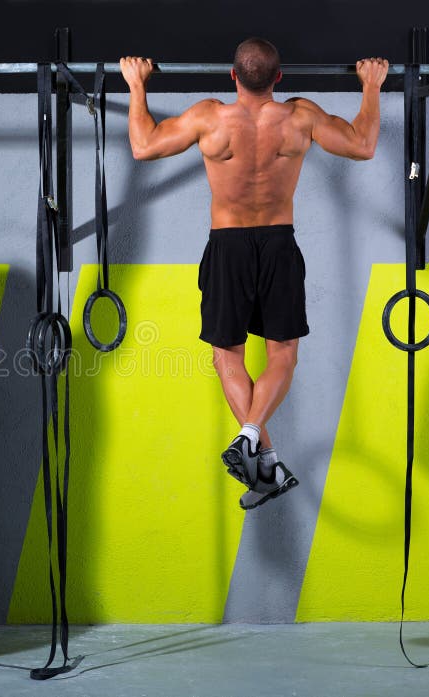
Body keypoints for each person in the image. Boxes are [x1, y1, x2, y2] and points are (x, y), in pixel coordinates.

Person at [120, 38, 388, 511]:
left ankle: (256, 447)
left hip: (228, 245)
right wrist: (371, 86)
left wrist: (136, 85)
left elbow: (143, 147)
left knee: (228, 357)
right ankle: (260, 452)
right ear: (279, 78)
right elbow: (363, 146)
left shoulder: (210, 118)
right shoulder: (300, 117)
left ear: (232, 76)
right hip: (279, 242)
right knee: (282, 356)